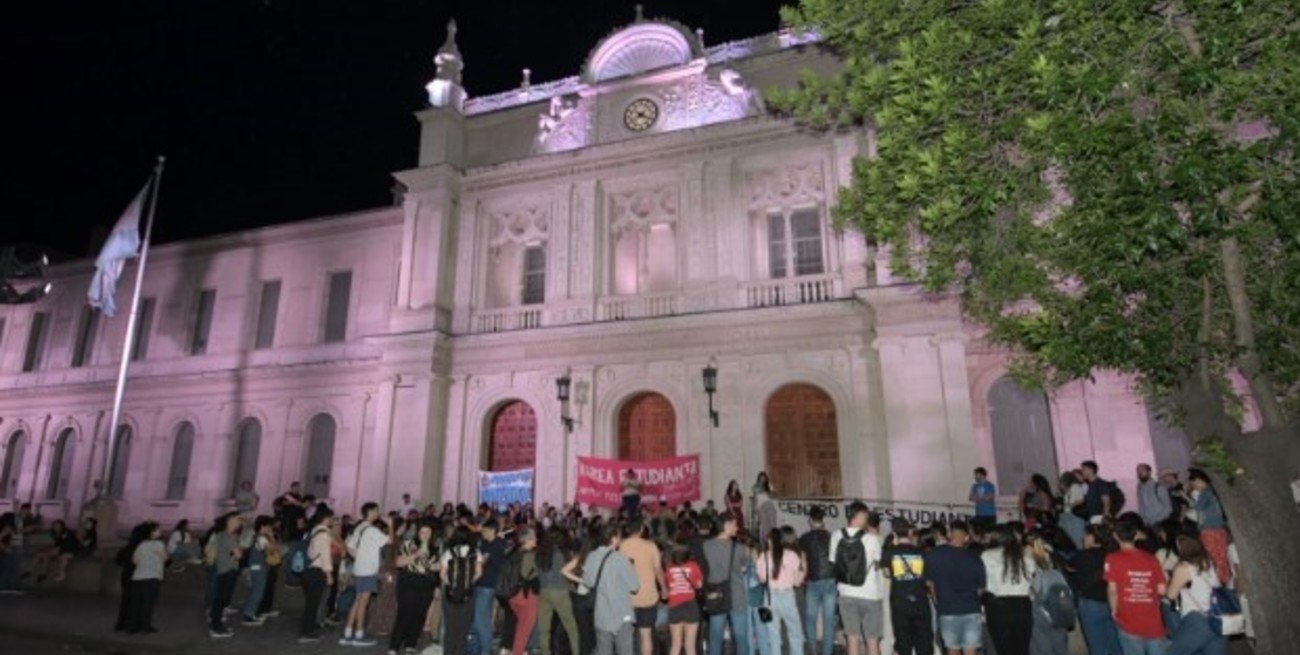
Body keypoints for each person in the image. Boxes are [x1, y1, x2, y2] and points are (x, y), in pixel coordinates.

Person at [1104, 518, 1168, 654]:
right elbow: (1162, 590)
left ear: (1115, 536)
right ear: (1136, 535)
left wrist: (1113, 611)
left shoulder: (1112, 559)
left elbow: (1112, 590)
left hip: (1128, 621)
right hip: (1153, 622)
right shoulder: (1152, 559)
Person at [829, 502, 885, 655]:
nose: (867, 519)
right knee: (872, 640)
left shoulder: (836, 535)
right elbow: (879, 564)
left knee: (852, 639)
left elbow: (834, 563)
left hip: (846, 595)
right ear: (859, 516)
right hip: (870, 595)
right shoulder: (872, 539)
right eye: (866, 516)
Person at [924, 521, 986, 655]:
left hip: (947, 611)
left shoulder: (933, 555)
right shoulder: (975, 558)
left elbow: (930, 584)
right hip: (971, 610)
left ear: (949, 534)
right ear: (967, 537)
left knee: (952, 650)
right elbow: (981, 589)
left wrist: (938, 603)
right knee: (971, 651)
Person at [582, 523, 640, 655]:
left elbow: (587, 582)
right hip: (622, 615)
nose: (620, 540)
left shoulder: (591, 556)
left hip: (601, 616)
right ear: (613, 539)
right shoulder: (621, 559)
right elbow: (635, 586)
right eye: (619, 537)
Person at [1164, 535, 1225, 655]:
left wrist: (1168, 581)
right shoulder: (1208, 562)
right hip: (1219, 617)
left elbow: (1170, 596)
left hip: (1199, 620)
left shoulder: (1183, 567)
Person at [981, 524, 1036, 655]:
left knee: (1003, 649)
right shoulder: (1025, 556)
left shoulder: (987, 555)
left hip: (998, 607)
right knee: (1022, 649)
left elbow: (982, 582)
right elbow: (1032, 577)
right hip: (1023, 605)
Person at [342, 502, 391, 646]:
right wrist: (390, 524)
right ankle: (359, 635)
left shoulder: (360, 527)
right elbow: (391, 540)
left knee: (357, 601)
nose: (378, 513)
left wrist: (360, 557)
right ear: (370, 512)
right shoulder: (372, 530)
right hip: (368, 570)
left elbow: (349, 547)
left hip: (359, 569)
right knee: (364, 603)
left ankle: (347, 633)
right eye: (376, 510)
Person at [390, 519, 441, 655]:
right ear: (417, 533)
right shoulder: (408, 544)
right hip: (409, 580)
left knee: (420, 615)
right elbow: (398, 563)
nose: (425, 535)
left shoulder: (435, 548)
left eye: (428, 532)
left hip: (427, 582)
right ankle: (394, 646)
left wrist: (437, 585)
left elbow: (437, 569)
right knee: (405, 613)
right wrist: (416, 554)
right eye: (422, 532)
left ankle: (410, 644)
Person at [704, 511, 751, 655]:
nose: (737, 528)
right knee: (741, 638)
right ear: (727, 525)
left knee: (715, 638)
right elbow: (746, 565)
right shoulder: (740, 548)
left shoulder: (706, 545)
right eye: (735, 524)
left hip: (717, 597)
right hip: (737, 597)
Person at [1071, 524, 1122, 655]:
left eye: (1086, 535)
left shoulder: (1082, 556)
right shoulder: (1114, 554)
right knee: (1115, 646)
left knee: (1097, 647)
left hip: (1091, 604)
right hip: (1114, 603)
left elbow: (1069, 567)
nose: (1083, 538)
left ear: (1092, 538)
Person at [882, 521, 931, 655]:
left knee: (903, 642)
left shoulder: (889, 552)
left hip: (899, 602)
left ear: (894, 534)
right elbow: (927, 579)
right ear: (910, 533)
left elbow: (886, 573)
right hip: (920, 601)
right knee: (924, 642)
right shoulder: (921, 553)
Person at [618, 518, 665, 655]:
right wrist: (664, 589)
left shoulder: (621, 546)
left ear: (627, 530)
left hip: (626, 599)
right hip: (648, 598)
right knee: (646, 634)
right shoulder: (651, 546)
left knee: (626, 634)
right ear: (642, 529)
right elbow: (658, 570)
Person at [756, 528, 806, 655]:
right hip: (787, 596)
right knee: (795, 633)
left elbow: (762, 580)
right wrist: (803, 569)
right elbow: (797, 583)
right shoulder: (791, 555)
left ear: (768, 540)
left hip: (769, 598)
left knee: (773, 636)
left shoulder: (763, 557)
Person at [799, 506, 838, 655]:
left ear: (810, 520)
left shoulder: (804, 538)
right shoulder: (832, 536)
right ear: (823, 520)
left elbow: (803, 563)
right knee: (828, 621)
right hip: (830, 581)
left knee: (810, 619)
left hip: (813, 582)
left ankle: (813, 652)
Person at [537, 528, 580, 655]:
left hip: (543, 592)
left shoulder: (541, 553)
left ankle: (545, 652)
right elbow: (564, 575)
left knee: (544, 628)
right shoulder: (561, 554)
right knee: (571, 627)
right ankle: (577, 652)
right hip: (560, 592)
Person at [1026, 531, 1067, 655]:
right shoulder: (1055, 559)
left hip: (1040, 609)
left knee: (1040, 646)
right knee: (1059, 645)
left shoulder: (1030, 564)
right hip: (1059, 607)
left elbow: (1032, 589)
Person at [1186, 469, 1230, 586]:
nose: (1193, 486)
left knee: (1214, 558)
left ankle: (1220, 584)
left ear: (1200, 480)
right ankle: (1223, 582)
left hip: (1211, 531)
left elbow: (1196, 509)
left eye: (1193, 482)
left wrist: (1186, 495)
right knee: (1220, 557)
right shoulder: (1211, 492)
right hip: (1217, 530)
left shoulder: (1206, 493)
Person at [443, 525, 481, 655]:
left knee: (450, 627)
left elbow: (442, 574)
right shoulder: (475, 552)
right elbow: (479, 573)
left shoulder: (449, 552)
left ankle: (448, 652)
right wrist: (469, 583)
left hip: (450, 593)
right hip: (468, 593)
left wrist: (451, 585)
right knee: (463, 627)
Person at [299, 510, 336, 643]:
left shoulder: (314, 531)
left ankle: (308, 628)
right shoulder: (324, 534)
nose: (333, 520)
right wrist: (329, 574)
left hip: (309, 570)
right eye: (332, 518)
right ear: (326, 518)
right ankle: (306, 632)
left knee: (311, 603)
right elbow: (325, 556)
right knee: (313, 604)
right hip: (317, 571)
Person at [472, 519, 507, 655]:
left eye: (485, 530)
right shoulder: (486, 542)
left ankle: (485, 649)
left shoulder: (497, 544)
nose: (482, 532)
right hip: (482, 583)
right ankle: (478, 647)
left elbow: (483, 560)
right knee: (482, 618)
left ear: (492, 531)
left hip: (488, 585)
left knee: (479, 618)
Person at [125, 521, 166, 634]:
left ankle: (132, 626)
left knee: (136, 603)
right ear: (152, 532)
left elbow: (135, 560)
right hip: (152, 576)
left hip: (138, 576)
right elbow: (164, 558)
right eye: (158, 529)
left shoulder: (141, 544)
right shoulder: (159, 544)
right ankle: (145, 626)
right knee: (148, 603)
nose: (161, 531)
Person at [506, 528, 541, 655]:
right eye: (534, 537)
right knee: (525, 629)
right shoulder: (530, 555)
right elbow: (528, 575)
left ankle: (517, 651)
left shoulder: (512, 552)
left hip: (511, 594)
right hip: (526, 595)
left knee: (520, 627)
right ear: (528, 540)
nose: (536, 539)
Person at [208, 513, 243, 638]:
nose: (240, 524)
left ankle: (215, 621)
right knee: (222, 599)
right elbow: (238, 555)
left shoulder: (220, 535)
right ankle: (217, 627)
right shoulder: (230, 537)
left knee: (219, 598)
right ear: (232, 522)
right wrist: (238, 551)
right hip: (229, 570)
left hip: (221, 569)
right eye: (238, 521)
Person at [665, 544, 703, 655]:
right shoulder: (694, 565)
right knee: (690, 646)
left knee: (676, 645)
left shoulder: (669, 568)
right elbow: (699, 585)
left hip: (674, 606)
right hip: (691, 606)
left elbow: (668, 585)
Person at [241, 516, 275, 626]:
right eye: (269, 526)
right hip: (259, 567)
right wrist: (271, 536)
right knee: (258, 591)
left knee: (255, 590)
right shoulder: (262, 538)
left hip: (255, 566)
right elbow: (272, 550)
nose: (270, 528)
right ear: (263, 526)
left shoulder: (256, 536)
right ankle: (249, 615)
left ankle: (250, 612)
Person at [1058, 472, 1088, 549]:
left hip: (1075, 515)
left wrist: (1071, 505)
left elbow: (1081, 500)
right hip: (1068, 515)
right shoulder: (1068, 490)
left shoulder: (1075, 487)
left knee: (1076, 537)